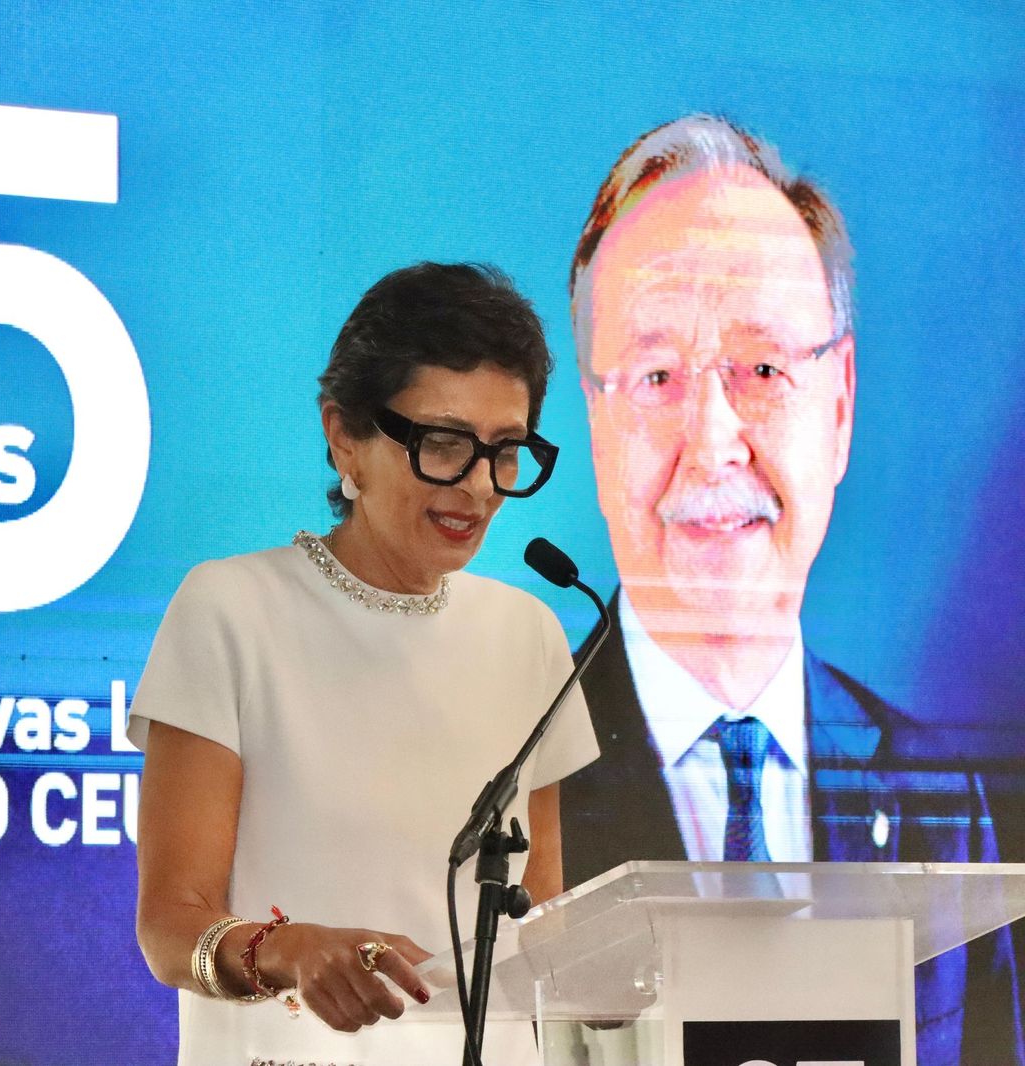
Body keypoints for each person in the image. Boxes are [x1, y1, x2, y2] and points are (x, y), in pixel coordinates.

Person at [558, 114, 1024, 1066]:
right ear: (596, 427)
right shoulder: (499, 789)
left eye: (763, 367)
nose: (715, 438)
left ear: (841, 404)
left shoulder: (941, 798)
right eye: (656, 375)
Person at [130, 262, 599, 1066]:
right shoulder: (230, 610)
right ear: (343, 433)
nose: (480, 487)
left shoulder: (531, 634)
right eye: (444, 443)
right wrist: (292, 950)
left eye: (507, 451)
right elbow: (170, 929)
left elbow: (543, 928)